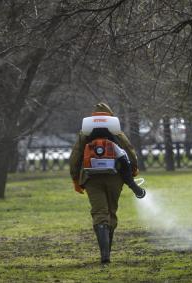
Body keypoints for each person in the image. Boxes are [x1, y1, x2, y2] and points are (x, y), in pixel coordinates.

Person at [69, 102, 146, 264]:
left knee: (99, 213)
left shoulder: (85, 132)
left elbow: (75, 155)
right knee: (111, 211)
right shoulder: (116, 130)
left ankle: (104, 254)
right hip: (115, 177)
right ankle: (107, 253)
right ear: (109, 115)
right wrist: (133, 169)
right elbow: (129, 149)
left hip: (91, 178)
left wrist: (75, 178)